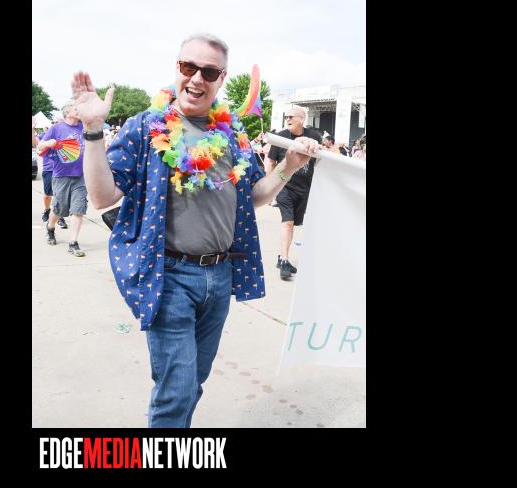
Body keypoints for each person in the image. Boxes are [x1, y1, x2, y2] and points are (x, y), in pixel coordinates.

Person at [71, 33, 319, 427]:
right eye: (189, 67)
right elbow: (102, 197)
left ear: (222, 77)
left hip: (220, 276)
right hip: (168, 276)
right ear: (177, 68)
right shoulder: (146, 126)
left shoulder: (232, 133)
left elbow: (253, 195)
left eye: (209, 71)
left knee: (192, 384)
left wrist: (289, 166)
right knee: (177, 389)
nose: (197, 79)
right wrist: (94, 130)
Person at [266, 106, 322, 280]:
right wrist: (270, 187)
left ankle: (282, 255)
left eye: (291, 117)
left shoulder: (314, 136)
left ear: (302, 119)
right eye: (286, 117)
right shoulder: (281, 137)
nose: (287, 119)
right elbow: (271, 161)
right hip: (284, 187)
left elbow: (320, 161)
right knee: (288, 222)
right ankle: (284, 260)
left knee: (293, 224)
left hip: (304, 189)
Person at [34, 101, 88, 257]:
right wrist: (47, 143)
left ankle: (73, 243)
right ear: (67, 113)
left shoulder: (83, 127)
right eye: (76, 109)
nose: (79, 111)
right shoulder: (56, 128)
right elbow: (39, 147)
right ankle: (50, 228)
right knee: (60, 209)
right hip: (61, 175)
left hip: (80, 176)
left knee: (78, 209)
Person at [36, 114, 68, 229]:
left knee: (59, 194)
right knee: (48, 194)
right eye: (54, 122)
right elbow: (36, 145)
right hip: (48, 169)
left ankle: (60, 217)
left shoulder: (67, 135)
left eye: (57, 122)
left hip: (62, 170)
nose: (55, 124)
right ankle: (47, 210)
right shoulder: (45, 135)